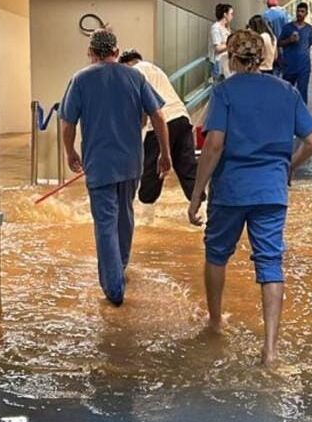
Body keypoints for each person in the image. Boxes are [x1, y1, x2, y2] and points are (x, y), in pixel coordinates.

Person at [187, 30, 312, 366]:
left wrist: (196, 192)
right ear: (263, 58)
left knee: (217, 254)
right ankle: (271, 349)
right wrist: (288, 166)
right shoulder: (287, 91)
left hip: (231, 189)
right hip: (272, 191)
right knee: (270, 262)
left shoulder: (224, 92)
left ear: (231, 58)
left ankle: (215, 323)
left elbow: (214, 144)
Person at [60, 29, 172, 306]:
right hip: (130, 161)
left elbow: (67, 122)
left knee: (105, 223)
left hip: (99, 164)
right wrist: (164, 153)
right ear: (116, 51)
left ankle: (114, 288)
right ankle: (120, 267)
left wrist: (70, 151)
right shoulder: (134, 76)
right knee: (125, 215)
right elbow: (158, 115)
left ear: (91, 53)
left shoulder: (81, 79)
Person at [118, 49, 200, 203]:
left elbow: (143, 110)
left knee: (148, 187)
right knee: (189, 172)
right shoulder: (155, 69)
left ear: (126, 64)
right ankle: (202, 210)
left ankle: (146, 219)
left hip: (161, 124)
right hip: (182, 118)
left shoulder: (133, 72)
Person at [278, 2, 312, 103]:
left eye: (302, 11)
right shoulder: (287, 28)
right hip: (289, 66)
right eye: (298, 11)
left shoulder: (309, 29)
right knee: (286, 91)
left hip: (304, 67)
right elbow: (279, 43)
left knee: (302, 93)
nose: (299, 13)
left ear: (306, 13)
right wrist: (289, 40)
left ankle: (302, 114)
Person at [209, 4, 234, 81]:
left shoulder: (226, 28)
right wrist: (231, 44)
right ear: (225, 15)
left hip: (226, 61)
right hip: (218, 61)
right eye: (231, 14)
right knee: (218, 85)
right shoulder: (215, 27)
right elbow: (218, 48)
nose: (232, 16)